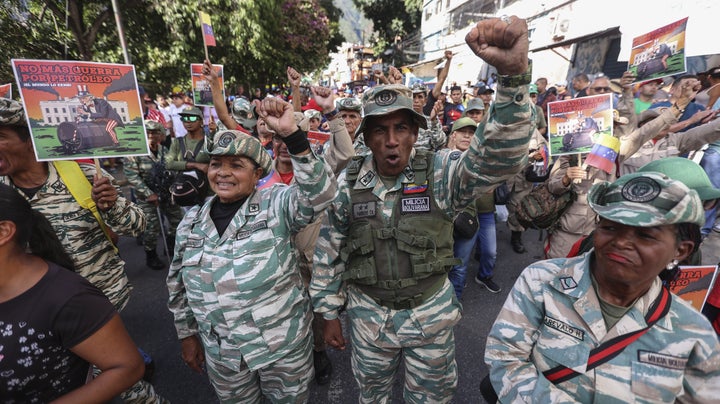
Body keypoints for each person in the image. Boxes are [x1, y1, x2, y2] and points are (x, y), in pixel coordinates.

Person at [311, 15, 533, 403]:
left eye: (401, 129)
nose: (392, 141)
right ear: (366, 137)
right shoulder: (348, 184)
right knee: (372, 398)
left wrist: (512, 80)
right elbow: (329, 250)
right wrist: (329, 311)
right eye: (380, 129)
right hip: (368, 321)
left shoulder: (442, 172)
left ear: (416, 133)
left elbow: (497, 160)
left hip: (429, 318)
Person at [484, 172, 720, 403]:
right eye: (610, 227)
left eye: (645, 235)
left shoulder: (694, 333)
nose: (621, 242)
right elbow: (504, 358)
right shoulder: (541, 281)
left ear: (681, 250)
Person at [166, 95, 337, 402]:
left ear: (258, 174)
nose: (223, 172)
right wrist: (187, 334)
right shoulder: (192, 221)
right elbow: (178, 283)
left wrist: (293, 137)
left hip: (281, 350)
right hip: (224, 355)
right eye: (216, 164)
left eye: (236, 165)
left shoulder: (277, 203)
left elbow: (320, 195)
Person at [0, 98, 166, 402]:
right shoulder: (3, 195)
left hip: (95, 309)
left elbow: (139, 226)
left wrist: (112, 205)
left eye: (1, 136)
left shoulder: (81, 175)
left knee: (127, 386)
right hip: (35, 322)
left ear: (29, 139)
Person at [0, 183, 144, 402]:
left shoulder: (66, 297)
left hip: (101, 297)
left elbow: (127, 367)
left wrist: (109, 205)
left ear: (4, 231)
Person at [445, 117, 499, 297]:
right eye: (463, 132)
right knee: (440, 268)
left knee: (459, 269)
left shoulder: (479, 162)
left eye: (471, 133)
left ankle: (453, 307)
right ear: (453, 134)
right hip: (441, 223)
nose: (467, 136)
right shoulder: (440, 157)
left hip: (466, 222)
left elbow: (490, 188)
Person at [123, 120, 184, 269]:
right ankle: (151, 256)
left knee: (179, 221)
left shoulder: (164, 150)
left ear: (161, 134)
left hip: (166, 194)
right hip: (146, 198)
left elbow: (171, 168)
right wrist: (149, 194)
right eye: (148, 132)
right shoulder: (134, 152)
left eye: (155, 132)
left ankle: (170, 245)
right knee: (151, 229)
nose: (151, 135)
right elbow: (132, 177)